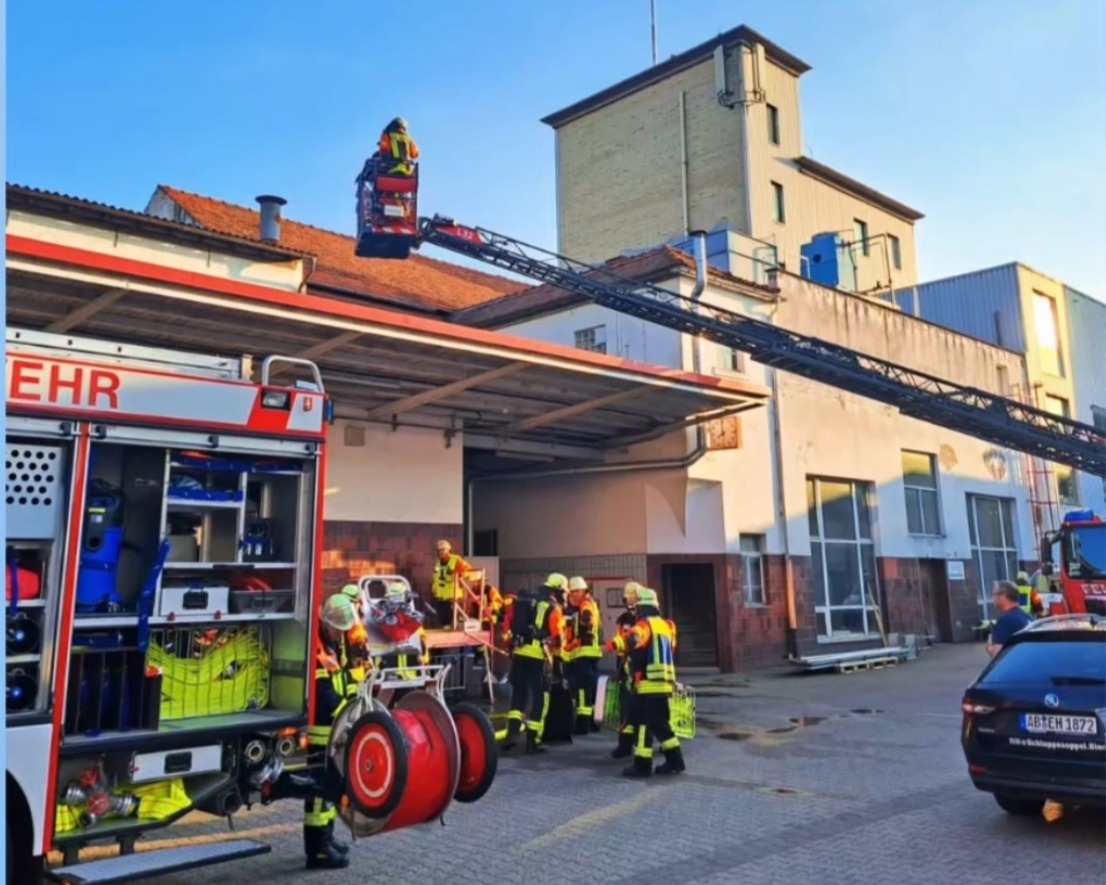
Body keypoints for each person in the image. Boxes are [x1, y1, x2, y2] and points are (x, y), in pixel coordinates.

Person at [302, 592, 369, 869]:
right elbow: (323, 693)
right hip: (321, 733)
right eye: (337, 629)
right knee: (319, 793)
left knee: (330, 790)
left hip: (333, 732)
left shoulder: (333, 646)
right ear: (326, 623)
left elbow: (343, 680)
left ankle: (326, 840)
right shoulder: (318, 650)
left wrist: (355, 698)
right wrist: (345, 710)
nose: (340, 634)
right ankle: (317, 851)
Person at [606, 586, 685, 778]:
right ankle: (675, 762)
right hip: (664, 683)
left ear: (642, 608)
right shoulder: (666, 626)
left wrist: (609, 646)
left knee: (642, 724)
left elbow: (632, 639)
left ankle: (642, 766)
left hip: (647, 685)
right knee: (661, 725)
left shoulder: (645, 624)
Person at [503, 580, 565, 754]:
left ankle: (511, 736)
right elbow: (557, 638)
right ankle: (533, 741)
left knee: (518, 695)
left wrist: (511, 647)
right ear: (555, 591)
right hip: (537, 657)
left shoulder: (526, 602)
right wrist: (558, 659)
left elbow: (509, 623)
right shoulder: (553, 608)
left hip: (519, 655)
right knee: (540, 698)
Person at [564, 576, 603, 735]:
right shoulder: (588, 604)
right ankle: (593, 722)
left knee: (582, 690)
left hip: (582, 654)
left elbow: (587, 621)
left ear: (583, 591)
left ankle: (582, 724)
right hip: (589, 654)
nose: (574, 595)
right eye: (572, 592)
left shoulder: (585, 605)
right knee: (590, 689)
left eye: (577, 591)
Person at [611, 581, 641, 759]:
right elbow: (621, 645)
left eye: (630, 598)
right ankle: (625, 744)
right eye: (626, 599)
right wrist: (619, 668)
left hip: (640, 669)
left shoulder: (644, 619)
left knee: (641, 708)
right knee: (625, 708)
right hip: (626, 668)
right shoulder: (623, 620)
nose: (628, 602)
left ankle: (640, 743)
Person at [986, 580, 1034, 657]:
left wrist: (988, 647)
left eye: (994, 594)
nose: (993, 598)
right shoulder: (1029, 617)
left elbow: (998, 655)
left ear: (1003, 597)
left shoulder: (1005, 621)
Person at [431, 540, 471, 628]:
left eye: (443, 550)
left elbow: (468, 570)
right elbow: (436, 578)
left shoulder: (456, 560)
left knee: (453, 617)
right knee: (443, 619)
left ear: (448, 550)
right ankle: (446, 629)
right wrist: (434, 589)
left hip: (453, 596)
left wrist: (457, 573)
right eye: (439, 550)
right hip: (441, 596)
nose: (441, 552)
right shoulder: (438, 563)